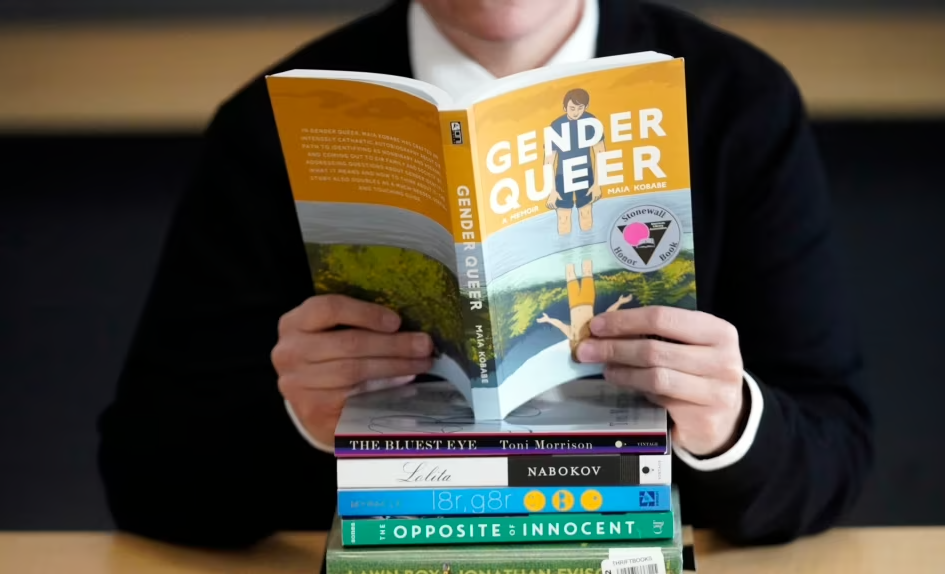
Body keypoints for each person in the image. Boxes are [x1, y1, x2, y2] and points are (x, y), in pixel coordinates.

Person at [97, 0, 873, 550]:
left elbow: (834, 450)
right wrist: (302, 421)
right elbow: (145, 479)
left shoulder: (736, 102)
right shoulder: (270, 125)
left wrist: (727, 420)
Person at [536, 260, 632, 359]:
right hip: (588, 299)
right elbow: (607, 314)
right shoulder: (593, 334)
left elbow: (560, 325)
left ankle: (567, 255)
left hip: (574, 302)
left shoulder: (573, 336)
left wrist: (548, 319)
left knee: (570, 273)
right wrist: (619, 302)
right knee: (587, 270)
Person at [544, 88, 605, 235]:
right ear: (565, 107)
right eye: (572, 108)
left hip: (585, 174)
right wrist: (552, 190)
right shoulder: (556, 126)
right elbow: (548, 161)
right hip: (562, 177)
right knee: (563, 218)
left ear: (586, 107)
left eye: (580, 108)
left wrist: (597, 184)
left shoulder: (591, 122)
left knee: (586, 214)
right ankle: (566, 257)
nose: (576, 112)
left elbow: (600, 153)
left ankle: (589, 256)